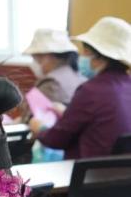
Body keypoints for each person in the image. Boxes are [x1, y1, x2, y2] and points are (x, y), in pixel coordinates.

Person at [30, 16, 131, 159]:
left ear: (99, 56)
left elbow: (57, 139)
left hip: (90, 171)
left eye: (86, 51)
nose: (82, 56)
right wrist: (67, 114)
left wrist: (40, 129)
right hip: (122, 171)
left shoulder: (91, 90)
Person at [24, 28, 85, 104]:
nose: (36, 63)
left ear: (53, 57)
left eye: (38, 58)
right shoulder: (78, 77)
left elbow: (31, 109)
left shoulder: (51, 84)